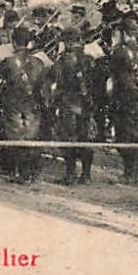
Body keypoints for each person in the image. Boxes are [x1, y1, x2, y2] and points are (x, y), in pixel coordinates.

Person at [0, 27, 50, 181]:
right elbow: (44, 88)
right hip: (33, 104)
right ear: (30, 43)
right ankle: (30, 172)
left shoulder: (7, 61)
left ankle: (15, 171)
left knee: (13, 136)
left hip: (13, 103)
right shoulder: (39, 62)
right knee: (31, 135)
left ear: (13, 42)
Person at [52, 27, 97, 184]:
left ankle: (70, 174)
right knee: (86, 138)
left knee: (69, 137)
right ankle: (86, 175)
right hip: (87, 104)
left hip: (69, 103)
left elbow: (57, 82)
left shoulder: (63, 60)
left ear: (67, 42)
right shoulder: (90, 59)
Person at [107, 14, 138, 185]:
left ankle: (128, 173)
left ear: (123, 33)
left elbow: (113, 76)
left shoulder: (118, 52)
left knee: (124, 136)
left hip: (123, 98)